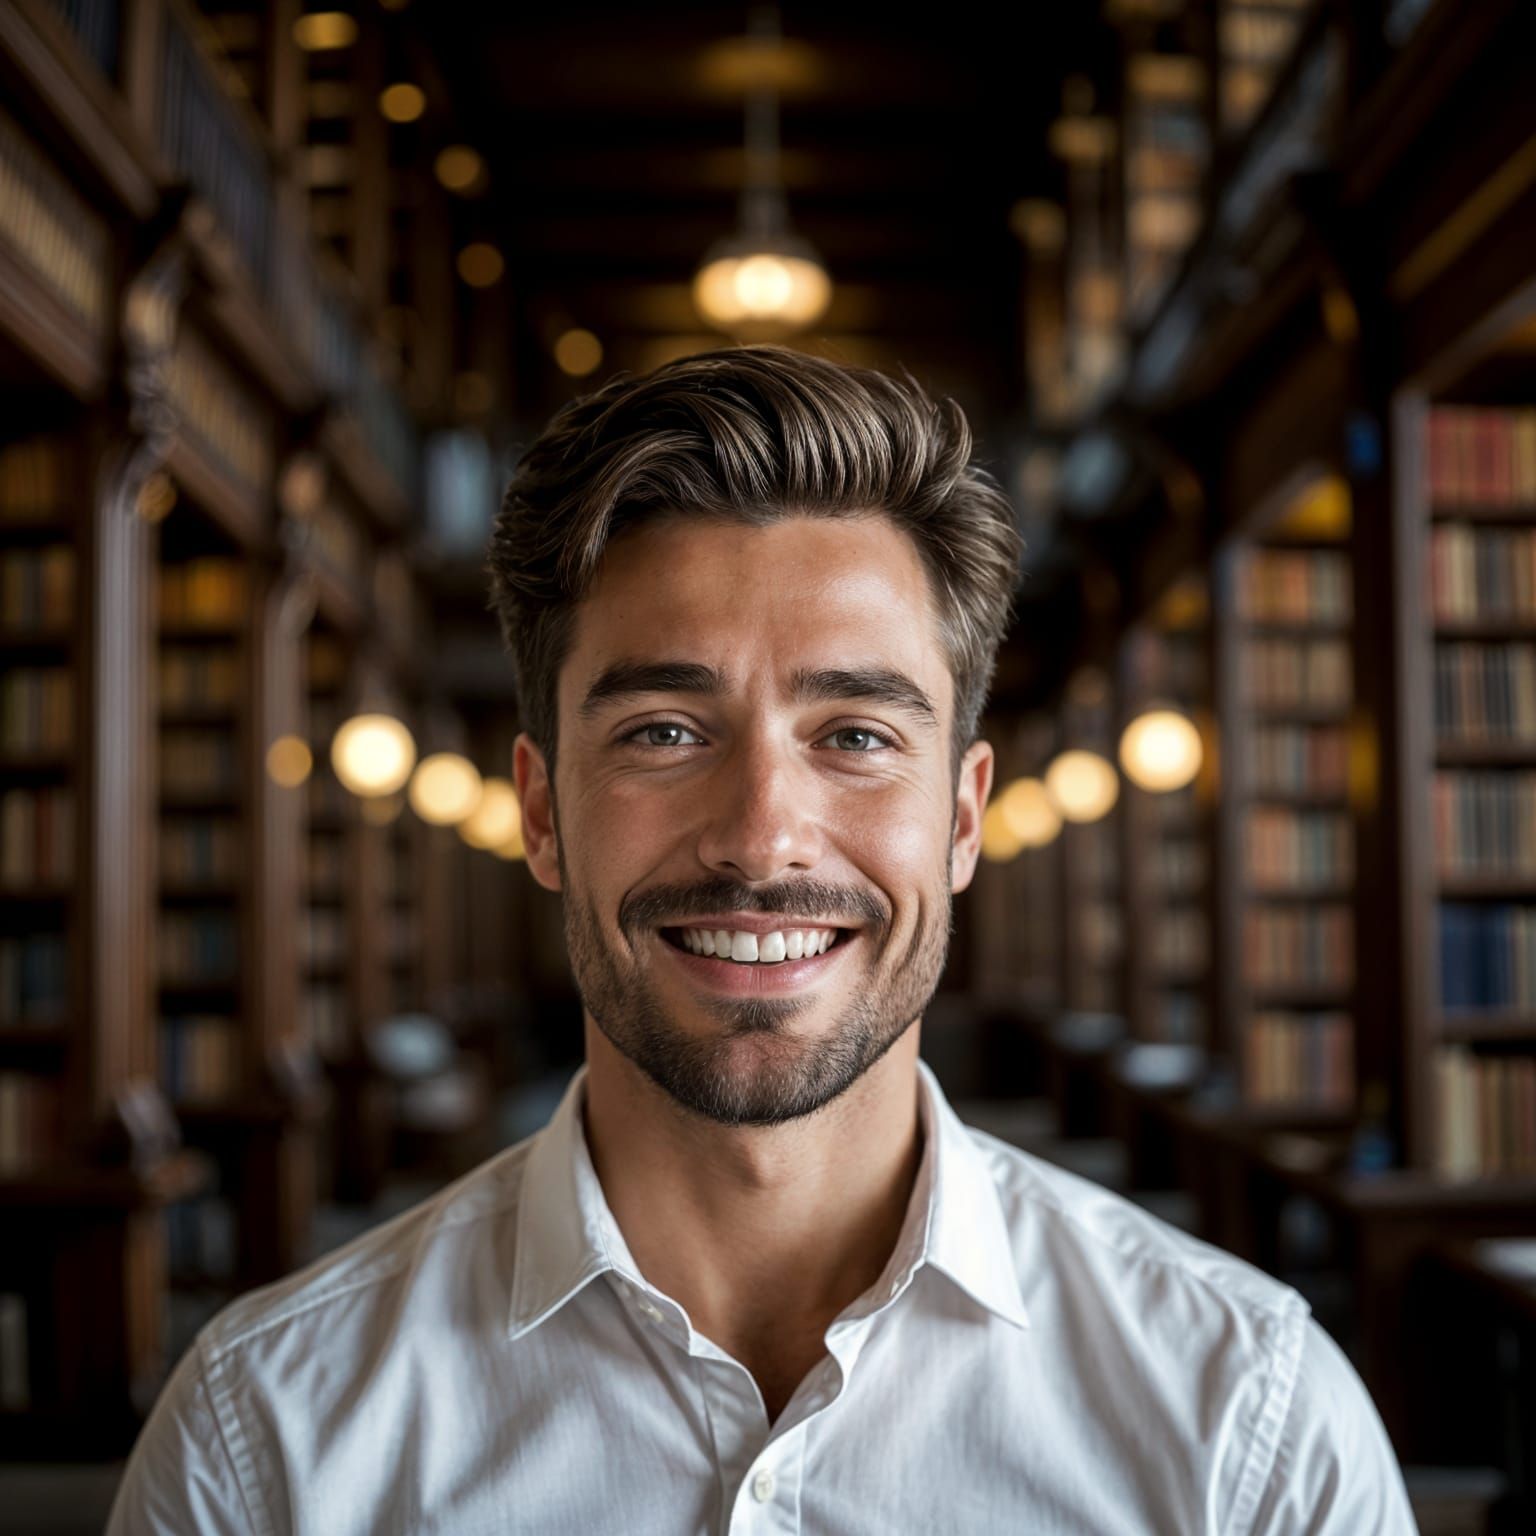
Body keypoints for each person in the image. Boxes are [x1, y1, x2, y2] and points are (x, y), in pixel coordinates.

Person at [108, 346, 1416, 1534]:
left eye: (855, 736)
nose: (762, 836)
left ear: (962, 819)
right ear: (541, 811)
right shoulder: (264, 1445)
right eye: (663, 732)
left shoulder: (1251, 1427)